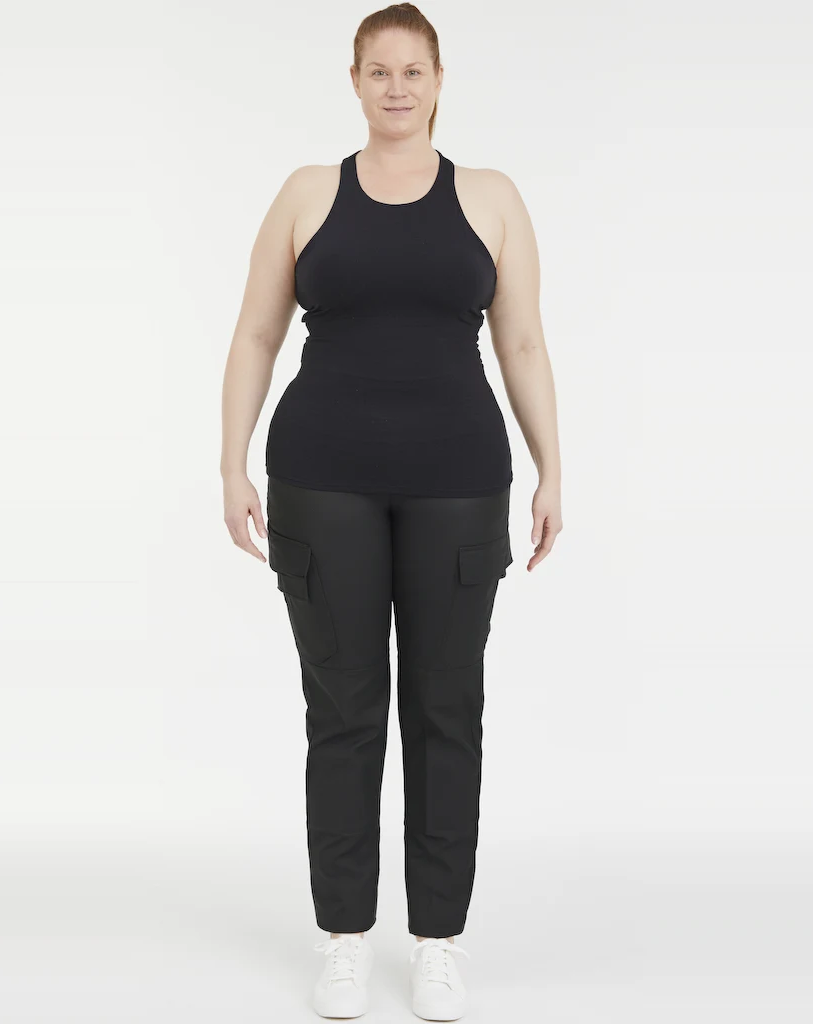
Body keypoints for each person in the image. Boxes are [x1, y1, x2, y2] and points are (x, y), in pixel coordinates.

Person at [220, 4, 562, 1019]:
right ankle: (342, 937)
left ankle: (437, 943)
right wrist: (231, 464)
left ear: (439, 80)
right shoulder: (307, 193)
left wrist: (553, 468)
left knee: (446, 712)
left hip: (460, 484)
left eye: (414, 70)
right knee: (344, 713)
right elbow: (254, 334)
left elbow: (523, 343)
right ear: (356, 82)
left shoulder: (491, 197)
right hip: (320, 481)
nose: (397, 87)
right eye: (379, 70)